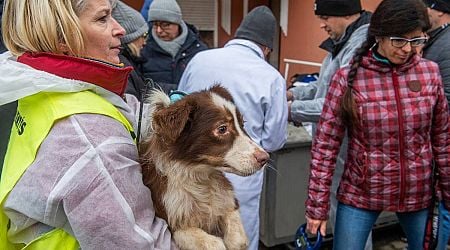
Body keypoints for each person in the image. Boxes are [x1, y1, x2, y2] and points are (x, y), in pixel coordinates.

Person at [0, 0, 177, 248]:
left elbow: (128, 112)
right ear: (62, 37)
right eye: (102, 18)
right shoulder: (90, 136)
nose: (120, 29)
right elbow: (146, 244)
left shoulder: (45, 89)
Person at [305, 0, 450, 249]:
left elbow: (443, 139)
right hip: (360, 193)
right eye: (399, 40)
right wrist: (317, 208)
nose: (407, 49)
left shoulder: (429, 73)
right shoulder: (348, 78)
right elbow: (325, 148)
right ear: (379, 36)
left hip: (418, 192)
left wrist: (447, 194)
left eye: (416, 41)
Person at [178, 6, 288, 250]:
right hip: (241, 178)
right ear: (266, 48)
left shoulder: (200, 59)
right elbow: (274, 140)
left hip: (193, 173)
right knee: (238, 241)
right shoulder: (271, 77)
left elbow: (180, 105)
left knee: (195, 239)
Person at [288, 0, 373, 248]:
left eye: (325, 17)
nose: (322, 24)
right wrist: (292, 94)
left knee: (351, 224)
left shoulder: (361, 47)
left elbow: (338, 102)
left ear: (344, 14)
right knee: (341, 217)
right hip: (337, 152)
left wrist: (290, 110)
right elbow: (322, 86)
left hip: (350, 152)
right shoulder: (341, 43)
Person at [422, 1, 450, 249]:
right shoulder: (438, 39)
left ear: (439, 10)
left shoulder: (446, 44)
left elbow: (447, 98)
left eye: (427, 7)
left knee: (444, 208)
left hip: (444, 139)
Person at [141, 0, 208, 94]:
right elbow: (139, 85)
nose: (159, 30)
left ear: (177, 23)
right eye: (155, 24)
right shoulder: (143, 49)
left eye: (165, 25)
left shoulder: (198, 50)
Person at [112, 0, 149, 101]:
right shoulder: (121, 65)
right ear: (131, 38)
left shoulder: (130, 60)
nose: (145, 42)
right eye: (144, 35)